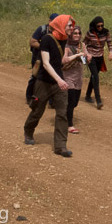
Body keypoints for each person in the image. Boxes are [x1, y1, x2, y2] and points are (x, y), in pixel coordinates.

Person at [23, 14, 75, 158]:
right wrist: (59, 80)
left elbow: (61, 60)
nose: (72, 28)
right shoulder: (47, 39)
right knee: (37, 110)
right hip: (44, 82)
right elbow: (46, 64)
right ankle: (28, 131)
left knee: (62, 113)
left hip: (58, 82)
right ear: (61, 25)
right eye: (69, 25)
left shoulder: (64, 39)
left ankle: (60, 146)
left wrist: (77, 56)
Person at [83, 16, 112, 109]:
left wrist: (111, 52)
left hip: (100, 57)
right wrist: (86, 54)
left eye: (102, 25)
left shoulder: (106, 32)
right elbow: (84, 43)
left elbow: (109, 43)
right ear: (94, 26)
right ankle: (98, 100)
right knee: (95, 77)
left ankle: (88, 95)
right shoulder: (90, 33)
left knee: (94, 76)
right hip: (91, 57)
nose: (100, 28)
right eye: (98, 26)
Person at [26, 13, 58, 103]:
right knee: (35, 76)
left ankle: (51, 100)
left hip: (51, 59)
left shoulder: (58, 32)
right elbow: (32, 42)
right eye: (54, 21)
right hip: (38, 59)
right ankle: (29, 96)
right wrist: (45, 48)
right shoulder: (42, 29)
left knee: (51, 77)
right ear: (50, 21)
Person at [62, 25, 88, 134]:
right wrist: (77, 55)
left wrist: (86, 55)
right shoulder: (66, 46)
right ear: (71, 35)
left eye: (79, 33)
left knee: (75, 102)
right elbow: (64, 60)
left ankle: (63, 114)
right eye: (75, 33)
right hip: (68, 77)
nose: (77, 35)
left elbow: (86, 59)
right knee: (71, 101)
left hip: (78, 77)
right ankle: (69, 125)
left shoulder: (81, 45)